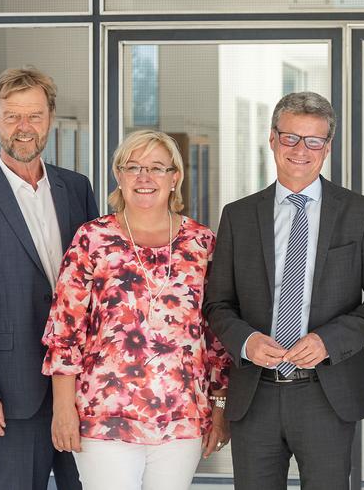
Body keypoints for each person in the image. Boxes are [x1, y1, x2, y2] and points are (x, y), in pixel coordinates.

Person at [203, 91, 364, 490]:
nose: (300, 150)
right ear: (272, 139)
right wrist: (246, 341)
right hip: (255, 393)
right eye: (290, 138)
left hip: (327, 391)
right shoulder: (238, 216)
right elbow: (218, 303)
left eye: (313, 141)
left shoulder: (360, 214)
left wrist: (329, 340)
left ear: (327, 147)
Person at [0, 67, 97, 490]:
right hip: (10, 392)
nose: (24, 128)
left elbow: (97, 286)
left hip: (82, 385)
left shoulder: (77, 189)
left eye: (35, 115)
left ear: (50, 119)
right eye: (12, 117)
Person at [41, 130, 231, 490]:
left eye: (157, 168)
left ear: (175, 178)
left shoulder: (201, 243)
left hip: (182, 417)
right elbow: (64, 330)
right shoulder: (92, 239)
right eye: (133, 167)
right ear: (119, 176)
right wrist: (62, 408)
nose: (144, 178)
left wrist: (220, 407)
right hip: (105, 414)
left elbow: (216, 335)